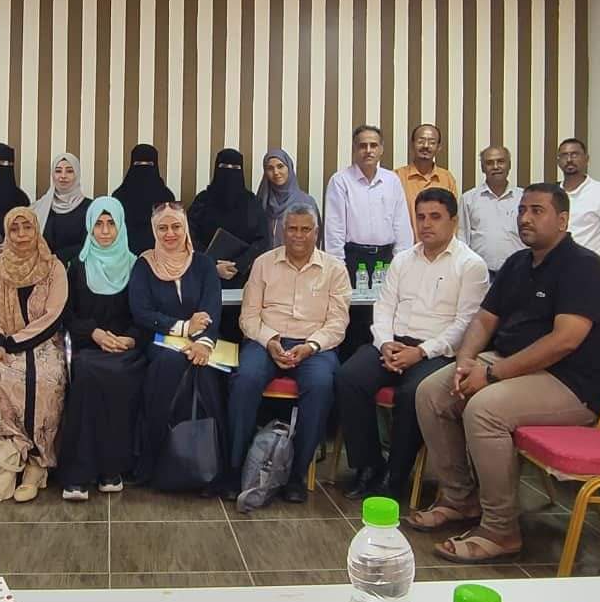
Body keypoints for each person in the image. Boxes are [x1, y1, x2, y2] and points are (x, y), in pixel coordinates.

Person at [410, 183, 600, 564]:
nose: (525, 218)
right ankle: (459, 499)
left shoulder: (583, 266)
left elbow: (565, 340)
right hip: (508, 363)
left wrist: (492, 374)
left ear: (563, 220)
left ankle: (500, 529)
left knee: (484, 409)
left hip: (569, 382)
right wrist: (466, 361)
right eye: (522, 210)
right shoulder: (518, 263)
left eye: (537, 211)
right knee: (432, 391)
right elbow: (484, 319)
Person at [336, 188, 489, 501]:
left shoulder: (471, 265)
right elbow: (383, 307)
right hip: (393, 344)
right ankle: (368, 465)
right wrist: (385, 343)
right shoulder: (403, 260)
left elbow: (465, 325)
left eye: (435, 217)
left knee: (413, 394)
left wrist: (421, 352)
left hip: (437, 353)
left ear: (453, 221)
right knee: (348, 377)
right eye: (420, 217)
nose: (426, 224)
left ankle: (395, 476)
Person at [229, 202, 351, 502]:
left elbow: (338, 323)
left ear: (316, 233)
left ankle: (296, 476)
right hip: (266, 341)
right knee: (244, 379)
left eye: (305, 229)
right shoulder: (263, 263)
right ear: (282, 231)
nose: (298, 235)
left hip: (314, 346)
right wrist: (270, 340)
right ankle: (235, 470)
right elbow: (248, 317)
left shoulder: (335, 269)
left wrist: (310, 346)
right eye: (292, 229)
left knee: (321, 385)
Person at [129, 202, 226, 493]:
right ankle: (156, 463)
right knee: (170, 364)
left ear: (185, 229)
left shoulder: (203, 264)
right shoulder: (144, 265)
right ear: (154, 231)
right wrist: (184, 327)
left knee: (206, 372)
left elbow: (212, 307)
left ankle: (209, 469)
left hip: (202, 344)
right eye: (163, 228)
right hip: (160, 343)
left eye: (176, 226)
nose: (170, 233)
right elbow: (141, 312)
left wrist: (203, 343)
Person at [57, 197, 147, 501]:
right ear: (89, 227)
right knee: (86, 372)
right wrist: (94, 333)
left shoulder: (137, 266)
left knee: (119, 375)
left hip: (126, 350)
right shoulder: (77, 266)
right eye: (98, 224)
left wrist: (130, 339)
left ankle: (112, 469)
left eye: (111, 224)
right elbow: (67, 314)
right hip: (88, 346)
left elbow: (144, 314)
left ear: (121, 226)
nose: (105, 231)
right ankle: (78, 474)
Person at [0, 207, 68, 503]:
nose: (21, 235)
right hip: (3, 342)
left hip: (45, 341)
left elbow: (53, 314)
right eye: (14, 229)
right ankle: (14, 452)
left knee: (46, 379)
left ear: (36, 230)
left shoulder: (53, 266)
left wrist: (14, 342)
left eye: (27, 227)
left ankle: (38, 462)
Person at [324, 125, 413, 281]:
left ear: (381, 149)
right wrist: (338, 267)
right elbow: (334, 228)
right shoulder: (340, 181)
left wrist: (401, 263)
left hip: (387, 258)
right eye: (362, 146)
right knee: (354, 299)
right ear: (354, 149)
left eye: (374, 145)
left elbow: (401, 225)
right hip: (352, 259)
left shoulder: (392, 180)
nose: (368, 150)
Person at [187, 148, 268, 290]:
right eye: (224, 167)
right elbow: (189, 235)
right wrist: (212, 265)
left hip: (244, 279)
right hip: (204, 277)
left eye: (235, 168)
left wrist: (239, 264)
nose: (229, 173)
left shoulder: (251, 202)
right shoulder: (203, 200)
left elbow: (262, 239)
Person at [557, 138, 600, 275]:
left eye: (575, 154)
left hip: (592, 270)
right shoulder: (553, 194)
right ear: (558, 161)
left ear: (586, 159)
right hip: (558, 269)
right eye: (564, 155)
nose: (569, 159)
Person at [458, 146, 524, 279]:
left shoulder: (523, 197)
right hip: (481, 273)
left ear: (509, 165)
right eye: (489, 163)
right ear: (483, 168)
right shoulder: (468, 199)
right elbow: (462, 237)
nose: (495, 166)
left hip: (518, 271)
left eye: (501, 161)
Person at [396, 124, 458, 240]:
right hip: (406, 248)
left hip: (439, 248)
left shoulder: (447, 178)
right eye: (421, 141)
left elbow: (452, 218)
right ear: (412, 145)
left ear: (439, 147)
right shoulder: (397, 177)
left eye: (432, 142)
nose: (426, 146)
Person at [112, 144, 175, 256]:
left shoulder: (166, 197)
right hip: (123, 257)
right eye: (138, 164)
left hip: (160, 257)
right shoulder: (118, 196)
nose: (143, 169)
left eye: (149, 164)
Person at [31, 153, 92, 265]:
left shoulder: (90, 208)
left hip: (75, 270)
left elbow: (89, 245)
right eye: (58, 171)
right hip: (41, 270)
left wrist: (56, 258)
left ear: (77, 174)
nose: (63, 176)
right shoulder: (38, 208)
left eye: (69, 171)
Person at [256, 148, 320, 249]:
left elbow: (315, 237)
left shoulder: (306, 203)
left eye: (280, 166)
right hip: (265, 258)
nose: (276, 172)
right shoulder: (261, 201)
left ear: (289, 168)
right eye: (270, 168)